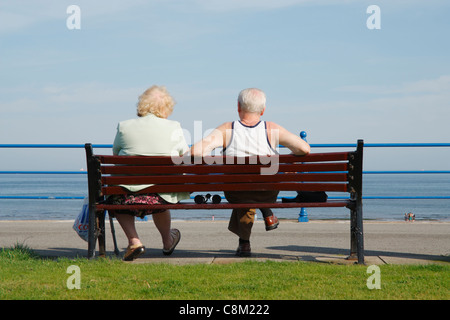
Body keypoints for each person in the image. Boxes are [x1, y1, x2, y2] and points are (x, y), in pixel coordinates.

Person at [190, 88, 310, 256]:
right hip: (267, 193)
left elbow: (195, 152)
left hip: (236, 194)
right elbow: (304, 148)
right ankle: (265, 212)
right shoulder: (271, 129)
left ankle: (244, 243)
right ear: (263, 110)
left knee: (244, 191)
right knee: (264, 181)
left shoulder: (227, 129)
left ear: (238, 107)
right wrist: (286, 160)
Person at [110, 85, 189, 261]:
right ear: (167, 107)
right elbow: (184, 157)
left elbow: (116, 158)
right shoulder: (175, 127)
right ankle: (168, 241)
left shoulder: (124, 126)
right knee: (161, 195)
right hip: (161, 195)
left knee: (116, 198)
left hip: (127, 194)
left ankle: (134, 240)